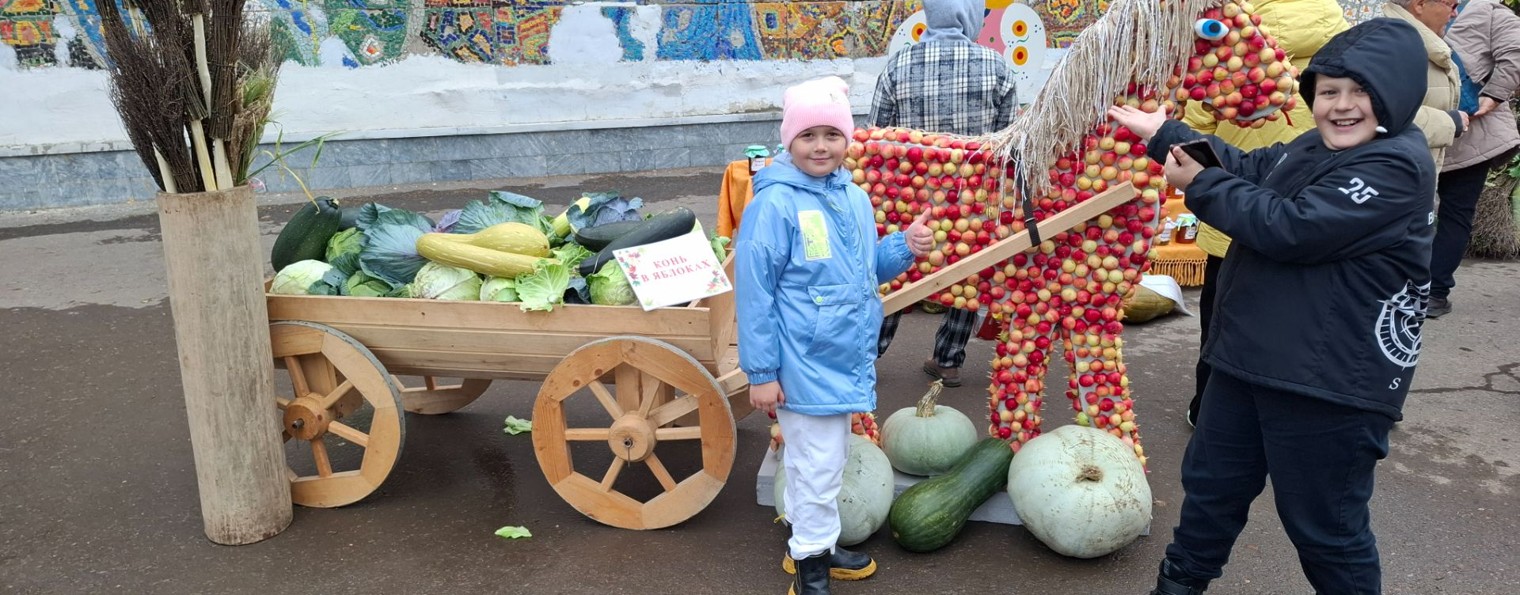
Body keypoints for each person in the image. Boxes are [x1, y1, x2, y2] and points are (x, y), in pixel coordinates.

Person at [1108, 17, 1437, 595]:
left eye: (1361, 92)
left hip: (1327, 383)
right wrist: (1166, 133)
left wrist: (1200, 186)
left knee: (1325, 527)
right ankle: (1178, 585)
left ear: (1397, 94)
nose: (1340, 106)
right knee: (1211, 492)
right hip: (1248, 360)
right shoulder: (1315, 145)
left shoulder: (1397, 166)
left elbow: (1293, 228)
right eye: (1328, 91)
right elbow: (1257, 168)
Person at [735, 76, 934, 595]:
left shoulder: (853, 198)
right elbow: (754, 295)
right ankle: (809, 567)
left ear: (848, 139)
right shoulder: (774, 206)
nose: (820, 146)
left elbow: (864, 269)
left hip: (843, 354)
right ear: (788, 140)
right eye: (807, 136)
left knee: (824, 459)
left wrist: (904, 246)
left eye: (831, 134)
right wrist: (760, 373)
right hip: (802, 359)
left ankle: (814, 544)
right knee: (818, 465)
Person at [1180, 0, 1350, 429]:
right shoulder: (1338, 40)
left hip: (1233, 210)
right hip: (1317, 209)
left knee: (1221, 322)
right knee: (1304, 320)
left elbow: (1195, 125)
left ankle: (1210, 412)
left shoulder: (1222, 42)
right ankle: (1289, 418)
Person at [870, 0, 1020, 388]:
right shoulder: (998, 67)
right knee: (966, 275)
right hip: (972, 200)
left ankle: (868, 355)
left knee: (896, 275)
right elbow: (1007, 145)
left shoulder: (898, 66)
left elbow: (875, 137)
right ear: (971, 16)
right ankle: (948, 360)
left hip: (908, 196)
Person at [1426, 0, 1520, 318]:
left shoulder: (1419, 10)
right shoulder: (1494, 12)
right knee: (1456, 215)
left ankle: (1411, 287)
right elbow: (1515, 54)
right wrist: (1492, 97)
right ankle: (1434, 293)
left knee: (1413, 210)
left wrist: (1492, 96)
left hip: (1427, 124)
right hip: (1472, 130)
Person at [1383, 0, 1469, 169]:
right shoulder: (1391, 46)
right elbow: (1381, 115)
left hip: (1413, 173)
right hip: (1394, 179)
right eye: (1452, 5)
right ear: (1420, 4)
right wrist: (1449, 122)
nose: (1455, 14)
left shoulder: (1424, 44)